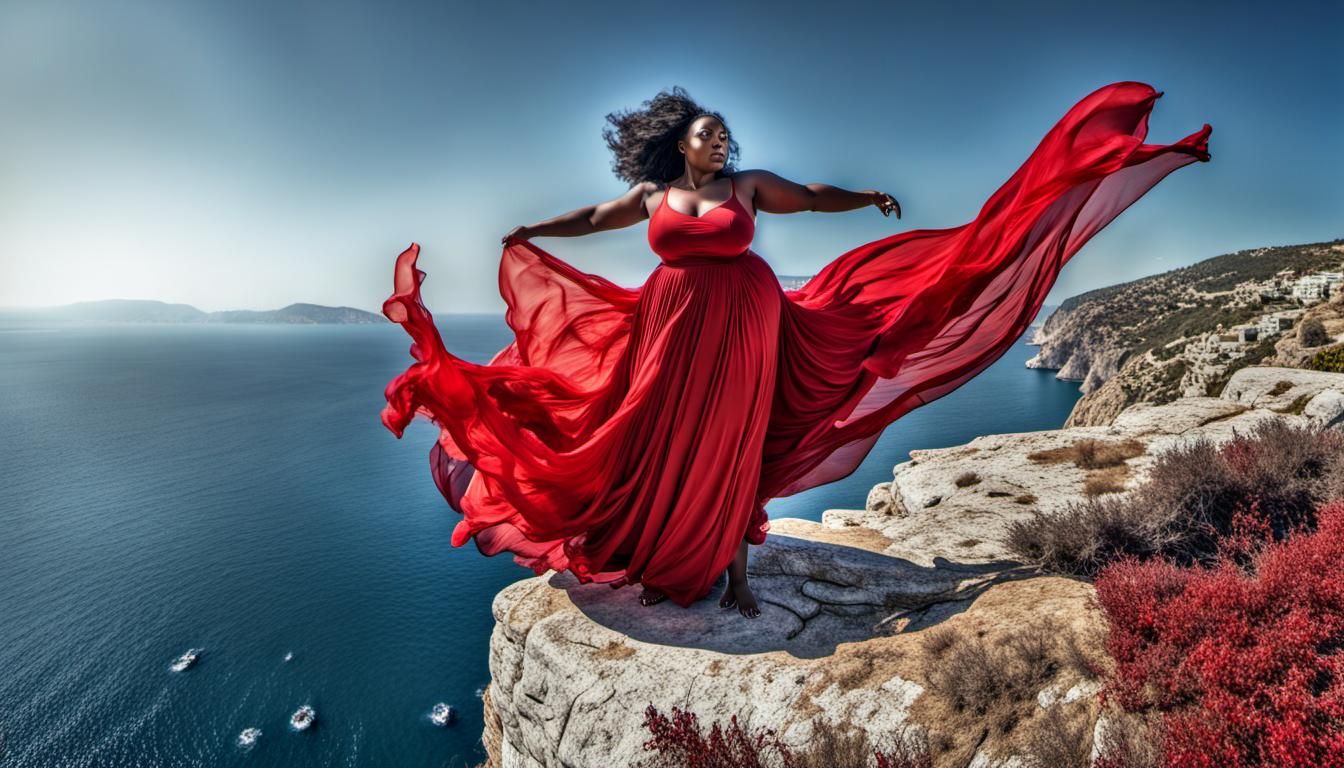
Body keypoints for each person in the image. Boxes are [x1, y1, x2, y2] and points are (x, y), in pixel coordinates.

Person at [381, 82, 1211, 618]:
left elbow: (810, 198)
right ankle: (657, 541)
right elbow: (595, 221)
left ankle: (738, 572)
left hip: (749, 317)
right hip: (671, 323)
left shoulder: (745, 188)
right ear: (679, 142)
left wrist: (867, 197)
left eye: (724, 134)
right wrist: (532, 229)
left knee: (737, 436)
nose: (722, 140)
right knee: (654, 431)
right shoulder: (653, 194)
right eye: (710, 132)